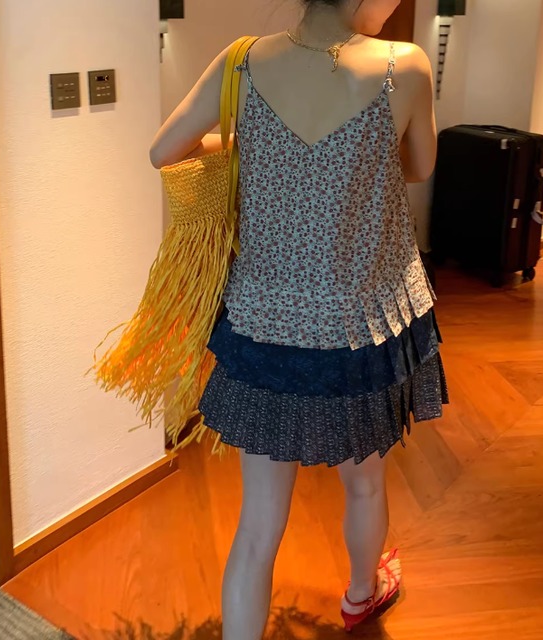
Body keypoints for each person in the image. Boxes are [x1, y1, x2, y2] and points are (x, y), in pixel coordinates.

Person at [149, 0, 447, 637]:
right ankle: (363, 594)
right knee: (365, 485)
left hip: (266, 326)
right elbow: (421, 166)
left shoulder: (241, 62)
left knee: (258, 524)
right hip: (360, 326)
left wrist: (251, 144)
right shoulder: (405, 66)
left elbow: (163, 151)